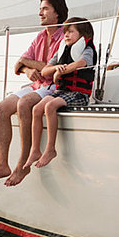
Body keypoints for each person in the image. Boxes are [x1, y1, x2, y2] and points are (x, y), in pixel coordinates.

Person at [0, 0, 69, 186]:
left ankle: (23, 164)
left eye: (45, 9)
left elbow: (49, 67)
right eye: (40, 9)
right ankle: (2, 165)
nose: (40, 13)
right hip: (36, 85)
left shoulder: (65, 37)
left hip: (53, 86)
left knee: (24, 104)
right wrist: (28, 69)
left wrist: (26, 62)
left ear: (57, 14)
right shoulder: (40, 36)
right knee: (2, 108)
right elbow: (17, 67)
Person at [22, 17, 97, 173]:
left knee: (50, 106)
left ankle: (50, 149)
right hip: (62, 91)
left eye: (70, 32)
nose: (66, 35)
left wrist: (64, 70)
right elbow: (45, 70)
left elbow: (81, 63)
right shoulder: (62, 50)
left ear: (83, 35)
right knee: (37, 109)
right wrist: (56, 69)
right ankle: (35, 150)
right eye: (65, 32)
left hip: (78, 94)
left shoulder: (87, 50)